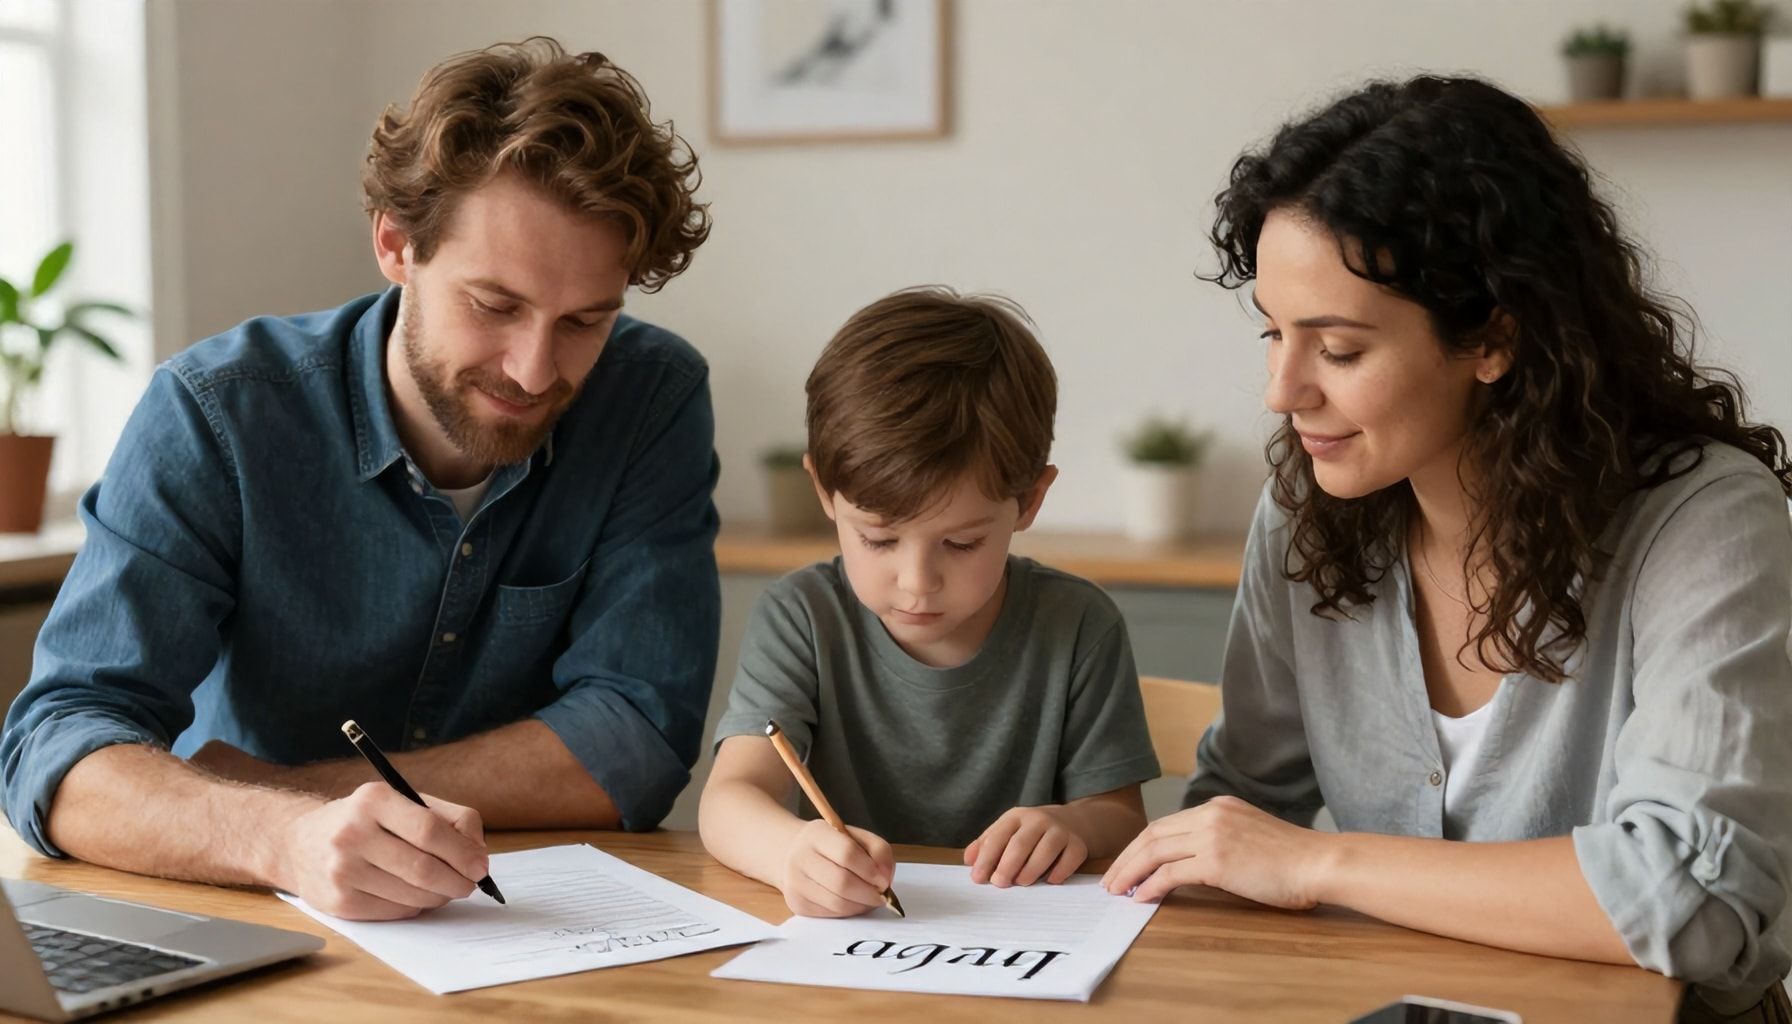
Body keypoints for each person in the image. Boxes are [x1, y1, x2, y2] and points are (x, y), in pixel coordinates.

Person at [1101, 75, 1792, 1022]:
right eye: (1273, 333)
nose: (1283, 390)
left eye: (1338, 350)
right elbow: (1243, 811)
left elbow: (1696, 899)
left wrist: (1318, 862)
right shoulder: (1305, 511)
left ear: (1493, 339)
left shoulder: (1702, 520)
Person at [0, 37, 721, 922]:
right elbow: (59, 747)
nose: (535, 370)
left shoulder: (650, 398)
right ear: (395, 244)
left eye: (584, 320)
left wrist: (296, 794)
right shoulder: (217, 413)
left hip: (533, 928)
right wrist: (282, 838)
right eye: (495, 305)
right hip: (249, 906)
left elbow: (637, 739)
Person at [699, 286, 1160, 918]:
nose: (917, 582)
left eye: (963, 543)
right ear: (825, 492)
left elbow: (1119, 816)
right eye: (878, 539)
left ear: (1029, 501)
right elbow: (730, 798)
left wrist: (1073, 827)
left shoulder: (1079, 624)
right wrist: (789, 854)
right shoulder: (802, 616)